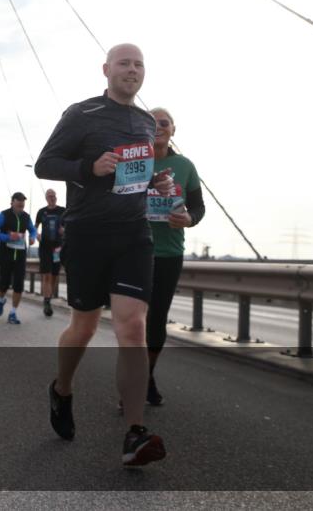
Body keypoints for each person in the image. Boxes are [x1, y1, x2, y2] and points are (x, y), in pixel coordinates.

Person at [34, 42, 174, 466]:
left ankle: (135, 432)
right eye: (124, 63)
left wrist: (156, 185)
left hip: (133, 234)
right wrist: (88, 168)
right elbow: (45, 164)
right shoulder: (82, 114)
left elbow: (134, 177)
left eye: (139, 64)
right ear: (106, 70)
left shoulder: (146, 122)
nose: (132, 70)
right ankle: (61, 389)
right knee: (85, 327)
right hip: (87, 233)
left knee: (133, 326)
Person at [145, 107, 204, 405]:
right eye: (151, 122)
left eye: (164, 122)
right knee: (133, 320)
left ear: (173, 130)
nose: (158, 126)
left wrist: (189, 219)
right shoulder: (134, 163)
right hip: (133, 251)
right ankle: (132, 381)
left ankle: (146, 376)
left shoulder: (185, 165)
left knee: (156, 318)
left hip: (168, 252)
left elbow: (198, 207)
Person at [0, 192, 37, 324]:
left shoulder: (26, 217)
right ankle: (1, 300)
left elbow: (32, 230)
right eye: (18, 205)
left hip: (20, 255)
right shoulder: (4, 215)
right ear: (12, 203)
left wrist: (32, 237)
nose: (21, 208)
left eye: (22, 206)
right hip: (6, 254)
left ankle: (13, 313)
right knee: (3, 284)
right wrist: (7, 237)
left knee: (18, 285)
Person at [35, 188, 67, 317]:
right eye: (49, 196)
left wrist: (64, 230)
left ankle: (48, 297)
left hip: (57, 248)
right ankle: (47, 302)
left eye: (53, 195)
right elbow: (34, 227)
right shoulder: (41, 212)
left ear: (56, 197)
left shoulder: (63, 211)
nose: (51, 197)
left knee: (54, 275)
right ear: (46, 198)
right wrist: (36, 235)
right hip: (45, 247)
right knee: (47, 275)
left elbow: (69, 225)